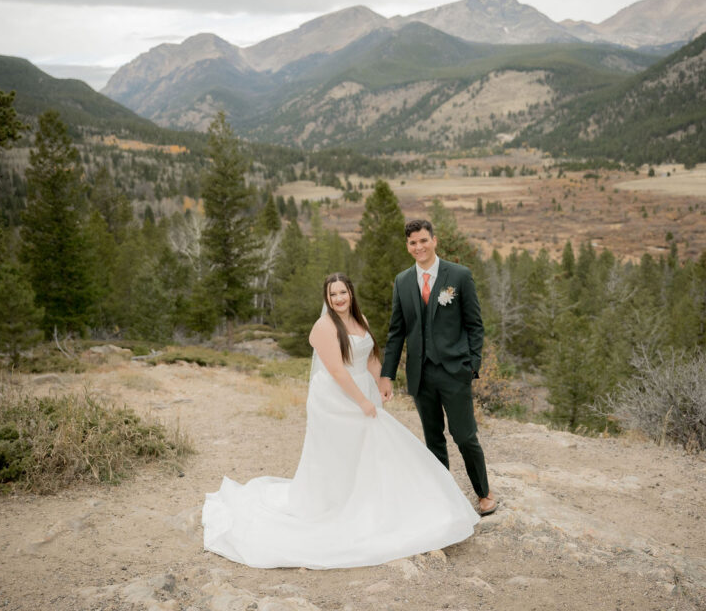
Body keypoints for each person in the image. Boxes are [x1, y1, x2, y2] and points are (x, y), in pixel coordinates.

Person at [202, 273, 478, 569]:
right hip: (336, 398)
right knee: (341, 452)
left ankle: (371, 501)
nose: (338, 299)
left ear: (351, 293)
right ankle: (336, 504)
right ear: (327, 298)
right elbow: (336, 370)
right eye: (333, 295)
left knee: (368, 449)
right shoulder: (324, 327)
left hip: (362, 388)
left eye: (343, 293)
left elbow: (370, 357)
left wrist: (383, 381)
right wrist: (361, 401)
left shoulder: (361, 320)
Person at [378, 220, 497, 516]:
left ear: (434, 240)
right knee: (433, 439)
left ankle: (483, 492)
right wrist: (387, 374)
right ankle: (444, 498)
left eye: (423, 241)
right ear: (407, 246)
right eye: (412, 243)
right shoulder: (402, 281)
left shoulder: (459, 275)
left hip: (455, 371)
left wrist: (471, 365)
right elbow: (396, 333)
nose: (418, 247)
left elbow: (474, 325)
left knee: (465, 435)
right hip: (420, 374)